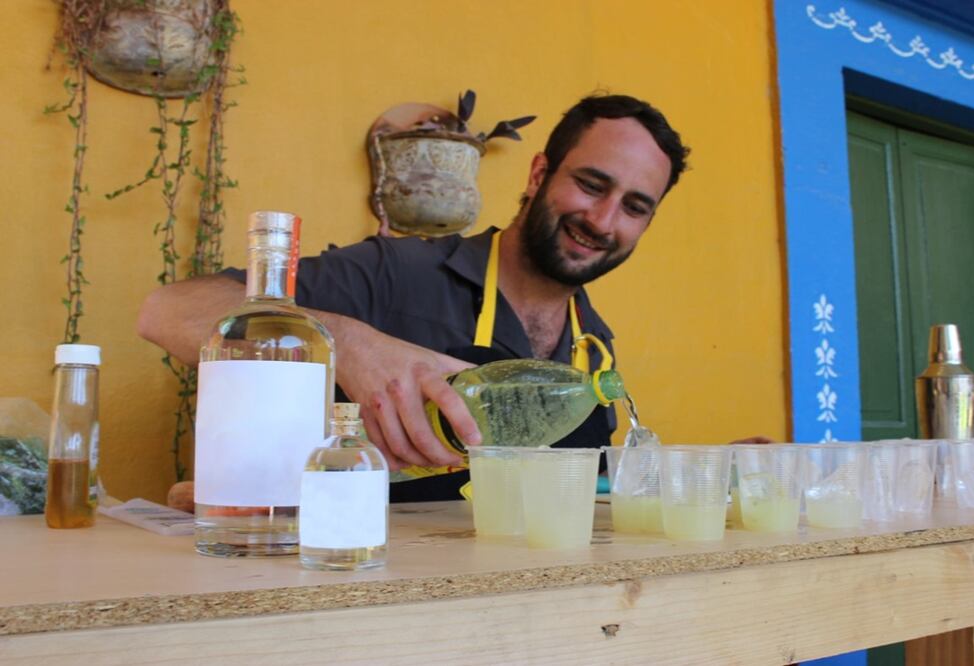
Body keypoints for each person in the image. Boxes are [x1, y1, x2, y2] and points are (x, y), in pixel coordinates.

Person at [139, 93, 691, 502]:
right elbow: (165, 312)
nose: (602, 219)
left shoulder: (594, 345)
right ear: (539, 173)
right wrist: (349, 344)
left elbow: (586, 494)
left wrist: (716, 473)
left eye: (634, 206)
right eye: (592, 185)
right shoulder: (397, 270)